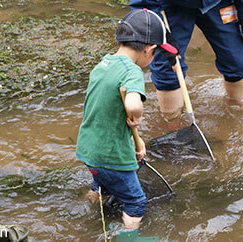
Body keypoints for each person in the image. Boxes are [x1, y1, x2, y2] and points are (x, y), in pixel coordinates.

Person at [75, 9, 177, 235]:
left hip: (88, 150)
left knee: (101, 181)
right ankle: (128, 237)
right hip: (111, 157)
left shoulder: (103, 64)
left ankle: (89, 205)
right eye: (156, 53)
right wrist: (137, 116)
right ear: (148, 49)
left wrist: (134, 142)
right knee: (136, 201)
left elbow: (105, 112)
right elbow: (132, 104)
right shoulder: (132, 71)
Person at [129, 0, 243, 116]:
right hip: (169, 5)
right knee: (169, 65)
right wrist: (159, 33)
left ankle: (238, 106)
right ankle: (172, 121)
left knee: (236, 60)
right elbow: (142, 2)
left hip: (217, 3)